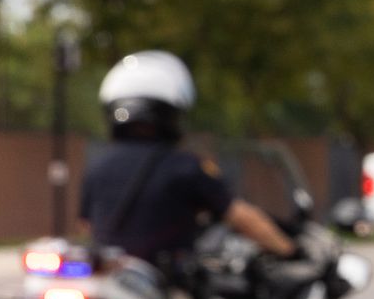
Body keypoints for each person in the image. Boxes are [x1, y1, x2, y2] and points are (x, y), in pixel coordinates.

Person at [79, 50, 294, 271]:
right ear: (170, 114)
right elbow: (240, 216)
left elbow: (87, 225)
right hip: (165, 288)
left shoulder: (97, 168)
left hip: (113, 283)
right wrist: (289, 250)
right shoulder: (185, 166)